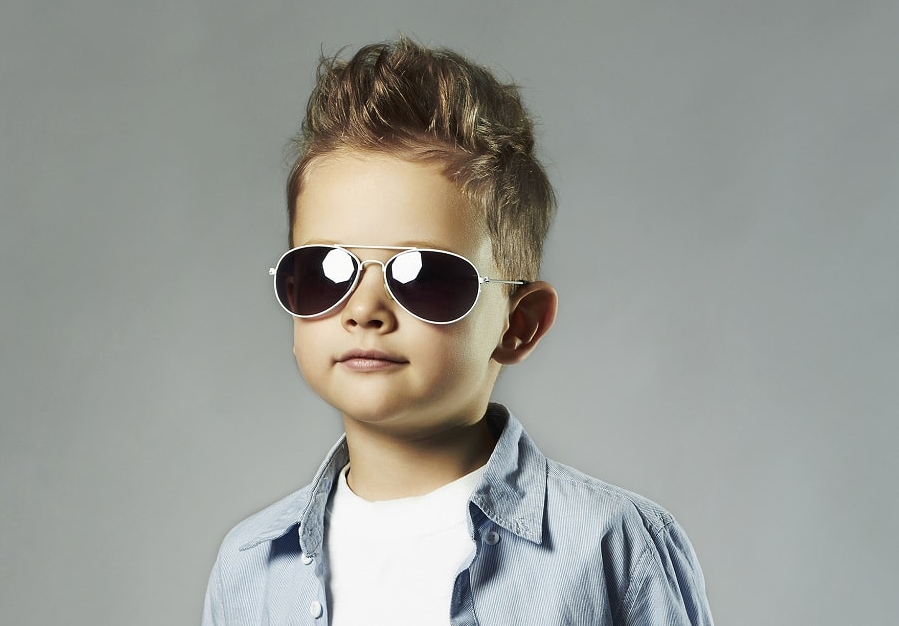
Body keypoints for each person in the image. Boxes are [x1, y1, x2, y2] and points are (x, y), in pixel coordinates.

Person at [201, 38, 714, 626]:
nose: (364, 309)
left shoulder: (610, 545)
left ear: (518, 324)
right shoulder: (251, 564)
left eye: (423, 277)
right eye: (326, 272)